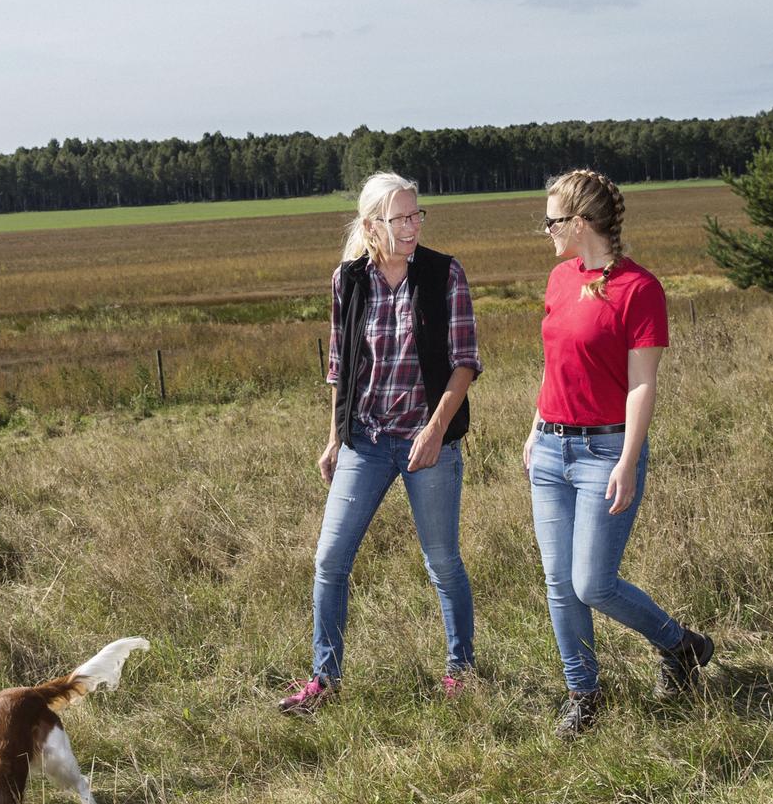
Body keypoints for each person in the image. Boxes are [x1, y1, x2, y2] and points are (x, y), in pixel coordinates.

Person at [279, 172, 481, 714]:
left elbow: (464, 363)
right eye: (401, 218)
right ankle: (325, 680)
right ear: (372, 226)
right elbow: (340, 369)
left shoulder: (445, 274)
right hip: (364, 441)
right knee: (330, 560)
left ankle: (462, 670)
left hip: (428, 442)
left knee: (442, 561)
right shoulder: (348, 281)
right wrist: (334, 440)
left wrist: (436, 432)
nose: (413, 225)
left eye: (418, 215)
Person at [523, 169, 714, 739]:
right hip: (552, 448)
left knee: (591, 583)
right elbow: (555, 364)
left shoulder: (640, 289)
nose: (548, 230)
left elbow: (641, 385)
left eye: (553, 220)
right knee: (559, 583)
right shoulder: (559, 279)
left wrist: (628, 460)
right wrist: (537, 428)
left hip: (606, 451)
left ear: (581, 224)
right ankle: (583, 691)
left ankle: (681, 645)